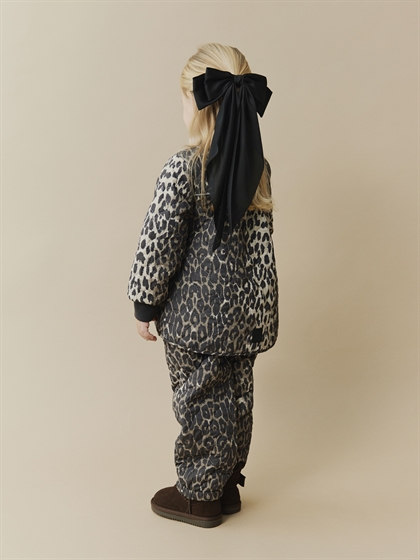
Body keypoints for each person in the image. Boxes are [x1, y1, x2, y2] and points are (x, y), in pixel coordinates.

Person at [127, 42, 279, 528]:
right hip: (244, 318)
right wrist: (260, 315)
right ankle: (225, 482)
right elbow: (260, 249)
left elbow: (159, 241)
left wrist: (145, 304)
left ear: (198, 104)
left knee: (199, 401)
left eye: (183, 99)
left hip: (195, 320)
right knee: (236, 398)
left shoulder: (184, 167)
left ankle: (198, 494)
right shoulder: (258, 171)